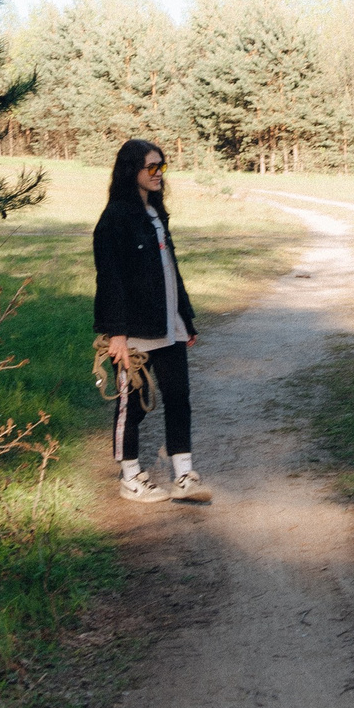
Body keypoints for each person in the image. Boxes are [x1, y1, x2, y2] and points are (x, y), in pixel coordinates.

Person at [92, 138, 211, 504]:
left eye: (163, 167)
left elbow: (171, 272)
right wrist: (117, 334)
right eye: (152, 167)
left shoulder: (156, 214)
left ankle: (184, 475)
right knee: (133, 406)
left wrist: (185, 319)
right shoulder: (114, 219)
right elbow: (109, 278)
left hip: (169, 325)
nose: (160, 174)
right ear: (132, 171)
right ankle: (130, 477)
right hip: (135, 335)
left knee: (179, 398)